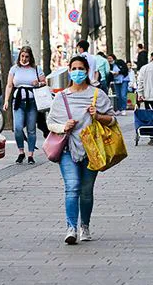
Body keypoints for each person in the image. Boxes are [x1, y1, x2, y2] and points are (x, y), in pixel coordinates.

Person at [47, 56, 117, 244]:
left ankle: (84, 225)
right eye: (74, 68)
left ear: (87, 71)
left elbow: (112, 120)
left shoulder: (97, 95)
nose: (77, 72)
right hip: (68, 150)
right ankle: (71, 228)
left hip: (91, 150)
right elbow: (50, 122)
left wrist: (98, 116)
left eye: (81, 68)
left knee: (86, 191)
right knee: (72, 187)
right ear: (69, 71)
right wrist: (64, 127)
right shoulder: (61, 97)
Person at [3, 46, 46, 164]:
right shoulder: (14, 69)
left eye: (27, 56)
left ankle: (31, 154)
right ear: (19, 56)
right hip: (18, 102)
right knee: (17, 128)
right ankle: (21, 152)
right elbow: (9, 85)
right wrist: (6, 100)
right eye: (22, 56)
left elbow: (44, 82)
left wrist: (38, 83)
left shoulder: (36, 69)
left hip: (32, 102)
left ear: (30, 57)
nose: (24, 58)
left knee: (31, 129)